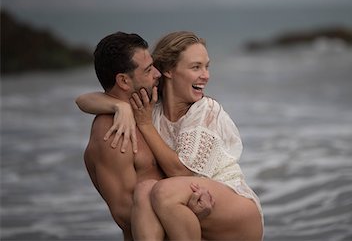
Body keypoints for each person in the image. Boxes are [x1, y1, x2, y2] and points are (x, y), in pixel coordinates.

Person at [77, 31, 264, 240]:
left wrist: (136, 117)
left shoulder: (201, 110)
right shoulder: (141, 111)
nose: (206, 75)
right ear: (169, 71)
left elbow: (180, 171)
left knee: (156, 191)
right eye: (196, 67)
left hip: (228, 206)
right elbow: (83, 99)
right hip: (187, 212)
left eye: (206, 66)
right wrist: (119, 106)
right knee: (149, 190)